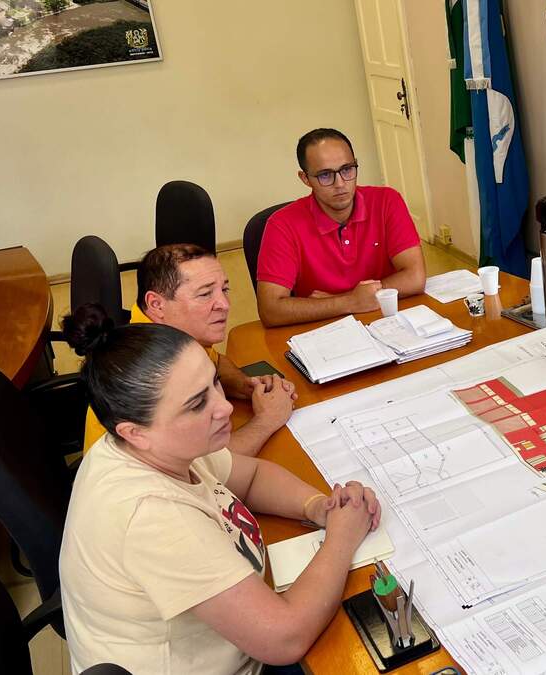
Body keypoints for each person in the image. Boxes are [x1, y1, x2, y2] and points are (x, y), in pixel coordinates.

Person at [59, 310, 381, 673]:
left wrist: (317, 507)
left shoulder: (150, 445)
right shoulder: (152, 516)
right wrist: (341, 536)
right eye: (198, 404)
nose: (224, 406)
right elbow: (284, 638)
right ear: (135, 431)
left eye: (214, 383)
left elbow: (253, 476)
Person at [80, 244, 296, 455]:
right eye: (205, 294)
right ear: (156, 304)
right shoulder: (152, 370)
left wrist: (246, 385)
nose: (224, 304)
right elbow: (210, 466)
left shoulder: (166, 333)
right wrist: (267, 419)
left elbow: (216, 361)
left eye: (224, 289)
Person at [255, 128, 426, 327]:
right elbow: (270, 310)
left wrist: (342, 300)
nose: (340, 184)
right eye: (325, 175)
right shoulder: (281, 225)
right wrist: (351, 301)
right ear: (305, 178)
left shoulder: (387, 201)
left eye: (347, 169)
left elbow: (415, 278)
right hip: (324, 331)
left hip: (384, 322)